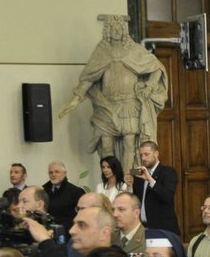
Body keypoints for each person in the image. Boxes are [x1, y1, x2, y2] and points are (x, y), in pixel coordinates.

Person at [58, 13, 169, 173]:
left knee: (130, 142)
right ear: (108, 31)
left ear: (124, 30)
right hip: (107, 105)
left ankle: (126, 179)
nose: (116, 31)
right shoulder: (101, 51)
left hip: (130, 103)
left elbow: (156, 67)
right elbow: (90, 77)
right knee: (106, 144)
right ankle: (110, 178)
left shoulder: (134, 50)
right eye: (113, 28)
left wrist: (150, 86)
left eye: (119, 28)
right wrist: (77, 97)